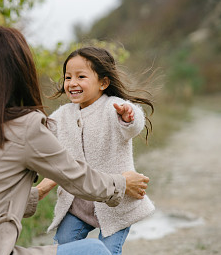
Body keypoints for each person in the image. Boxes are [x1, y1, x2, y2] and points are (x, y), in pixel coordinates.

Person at [0, 26, 150, 255]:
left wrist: (39, 190)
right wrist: (120, 183)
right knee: (95, 251)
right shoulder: (24, 126)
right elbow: (78, 178)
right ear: (19, 71)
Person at [38, 46, 155, 255]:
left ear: (103, 82)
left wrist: (129, 116)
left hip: (116, 204)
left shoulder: (114, 107)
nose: (72, 83)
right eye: (68, 77)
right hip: (77, 204)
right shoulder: (63, 115)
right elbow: (43, 134)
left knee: (108, 250)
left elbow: (134, 122)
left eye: (81, 76)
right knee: (64, 244)